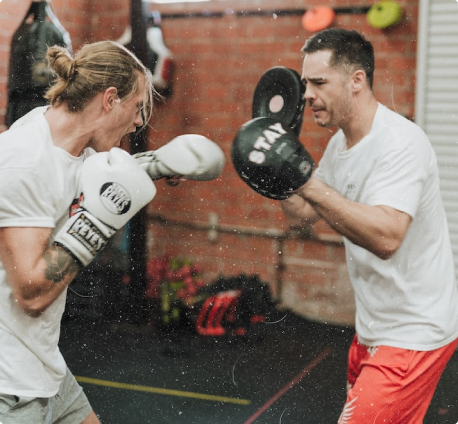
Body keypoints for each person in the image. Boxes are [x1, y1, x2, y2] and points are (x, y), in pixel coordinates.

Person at [279, 28, 458, 423]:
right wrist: (277, 175)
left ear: (357, 80)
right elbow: (301, 217)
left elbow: (387, 236)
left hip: (413, 331)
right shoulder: (339, 146)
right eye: (306, 82)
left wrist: (305, 181)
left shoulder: (400, 142)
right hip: (374, 330)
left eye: (319, 82)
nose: (307, 94)